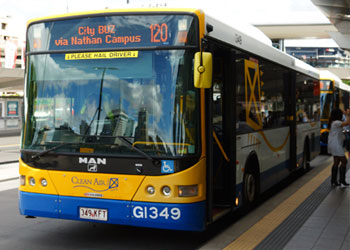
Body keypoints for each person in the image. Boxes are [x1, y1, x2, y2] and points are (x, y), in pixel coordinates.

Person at [327, 108, 350, 187]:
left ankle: (334, 180)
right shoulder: (337, 122)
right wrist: (347, 114)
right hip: (336, 145)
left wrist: (346, 131)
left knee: (336, 162)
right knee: (344, 161)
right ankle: (342, 180)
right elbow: (348, 122)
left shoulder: (334, 122)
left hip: (334, 144)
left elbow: (340, 130)